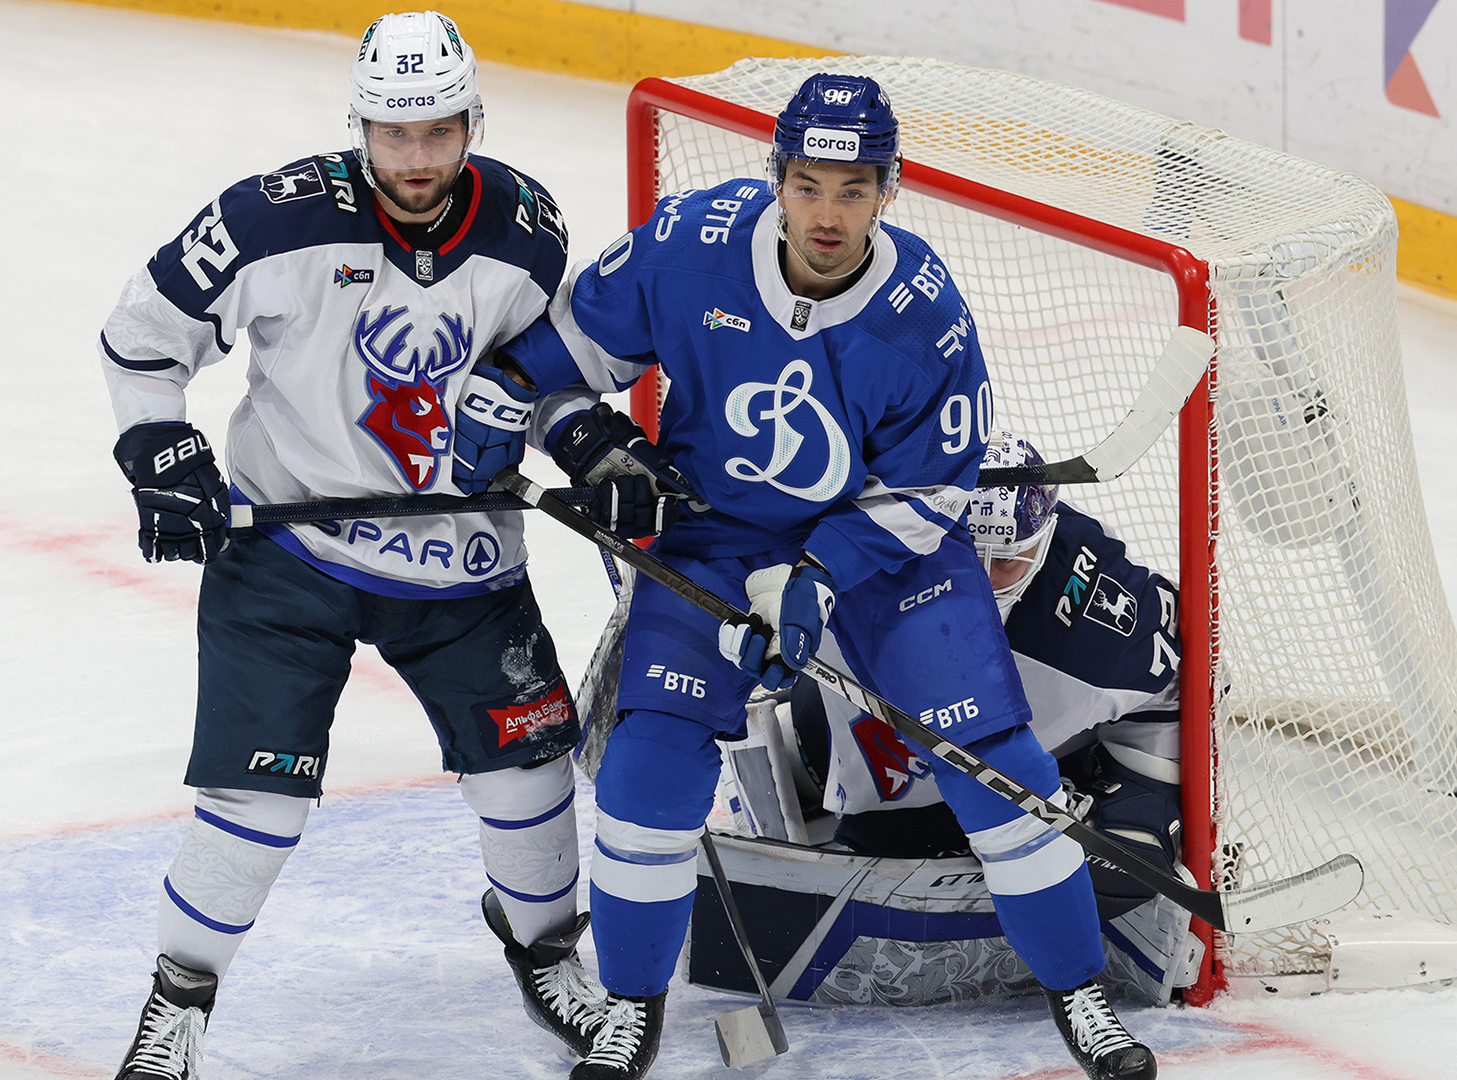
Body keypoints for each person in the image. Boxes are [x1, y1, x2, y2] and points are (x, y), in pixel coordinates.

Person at [501, 75, 1156, 1080]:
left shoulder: (923, 308)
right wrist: (589, 442)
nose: (827, 215)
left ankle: (1081, 996)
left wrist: (819, 574)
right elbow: (542, 368)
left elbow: (934, 488)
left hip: (884, 548)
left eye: (854, 191)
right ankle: (631, 1010)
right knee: (647, 770)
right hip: (715, 533)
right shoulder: (689, 244)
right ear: (776, 178)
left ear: (889, 189)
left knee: (997, 766)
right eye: (808, 186)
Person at [95, 13, 607, 1079]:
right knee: (257, 804)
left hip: (461, 559)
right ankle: (179, 1000)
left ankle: (547, 951)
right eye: (393, 132)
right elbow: (144, 335)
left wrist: (584, 440)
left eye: (438, 131)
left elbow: (542, 375)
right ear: (359, 125)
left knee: (528, 779)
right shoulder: (269, 220)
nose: (416, 157)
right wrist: (157, 446)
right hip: (288, 552)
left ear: (472, 122)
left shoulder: (526, 230)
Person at [713, 429, 1200, 1007]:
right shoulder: (867, 545)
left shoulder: (1100, 616)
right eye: (968, 552)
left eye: (1007, 561)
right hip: (862, 766)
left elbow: (1175, 684)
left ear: (1044, 541)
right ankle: (802, 768)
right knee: (816, 750)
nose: (985, 581)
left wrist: (1141, 804)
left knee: (1111, 854)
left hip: (1029, 772)